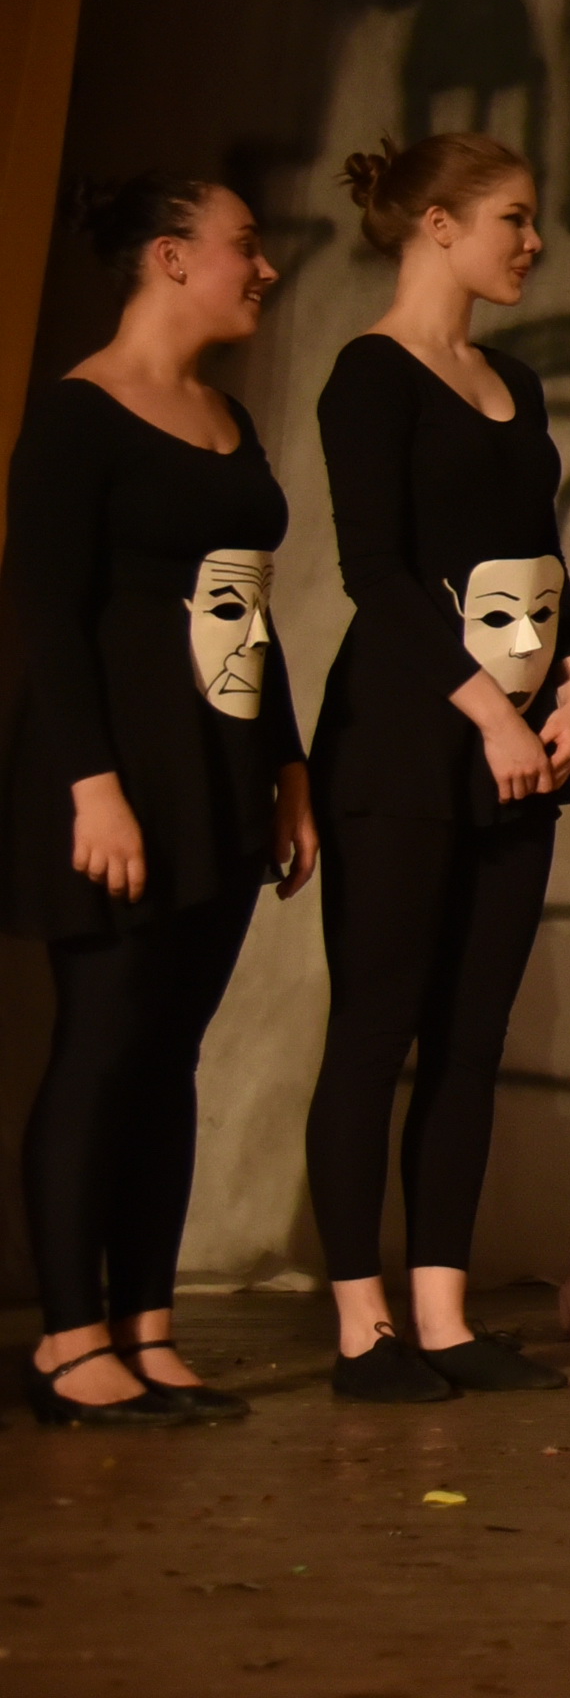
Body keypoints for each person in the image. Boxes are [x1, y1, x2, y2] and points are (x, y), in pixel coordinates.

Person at [7, 179, 317, 1426]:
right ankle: (68, 1337)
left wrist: (288, 767)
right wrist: (94, 788)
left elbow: (246, 608)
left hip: (219, 772)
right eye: (247, 246)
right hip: (119, 773)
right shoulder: (79, 414)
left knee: (170, 1052)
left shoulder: (227, 416)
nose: (266, 268)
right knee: (103, 1042)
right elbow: (44, 612)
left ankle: (146, 1324)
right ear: (172, 257)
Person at [306, 133, 570, 1401]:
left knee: (470, 1038)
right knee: (378, 1029)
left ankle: (442, 1313)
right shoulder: (370, 376)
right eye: (513, 218)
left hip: (517, 744)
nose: (533, 241)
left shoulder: (512, 379)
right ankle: (360, 1324)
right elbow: (376, 574)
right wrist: (488, 711)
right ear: (436, 223)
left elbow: (539, 548)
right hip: (405, 741)